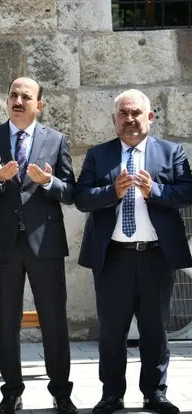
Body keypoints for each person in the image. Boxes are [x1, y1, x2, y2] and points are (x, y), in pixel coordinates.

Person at [74, 89, 192, 414]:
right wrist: (111, 191)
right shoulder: (99, 156)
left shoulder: (171, 153)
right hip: (113, 258)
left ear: (149, 117)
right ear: (114, 121)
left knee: (155, 330)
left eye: (136, 113)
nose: (130, 120)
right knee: (112, 332)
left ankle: (155, 393)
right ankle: (112, 394)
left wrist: (154, 189)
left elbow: (186, 193)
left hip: (156, 257)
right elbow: (82, 197)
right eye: (123, 114)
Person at [0, 77, 77, 414]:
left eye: (25, 96)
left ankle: (61, 392)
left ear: (39, 104)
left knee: (54, 320)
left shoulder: (56, 141)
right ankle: (11, 391)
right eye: (13, 94)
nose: (17, 100)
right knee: (6, 320)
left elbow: (71, 192)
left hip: (45, 244)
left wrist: (49, 183)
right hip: (4, 245)